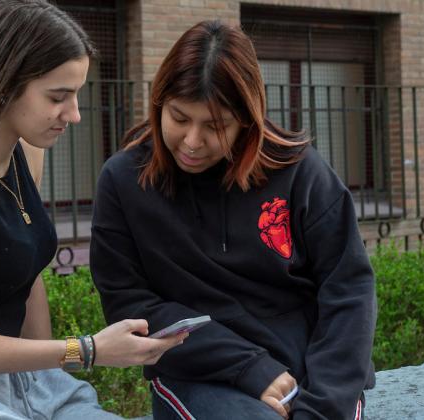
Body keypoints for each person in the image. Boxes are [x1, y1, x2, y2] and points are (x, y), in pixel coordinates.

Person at [0, 1, 186, 419]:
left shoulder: (24, 154)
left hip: (19, 372)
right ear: (2, 85)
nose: (75, 114)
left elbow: (24, 273)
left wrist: (52, 375)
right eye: (58, 97)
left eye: (76, 94)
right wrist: (89, 350)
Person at [90, 20, 376, 420]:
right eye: (179, 117)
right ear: (159, 104)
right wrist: (249, 367)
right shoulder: (124, 180)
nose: (192, 141)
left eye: (215, 126)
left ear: (247, 118)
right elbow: (129, 305)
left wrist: (323, 406)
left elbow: (348, 289)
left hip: (313, 374)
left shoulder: (299, 170)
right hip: (198, 374)